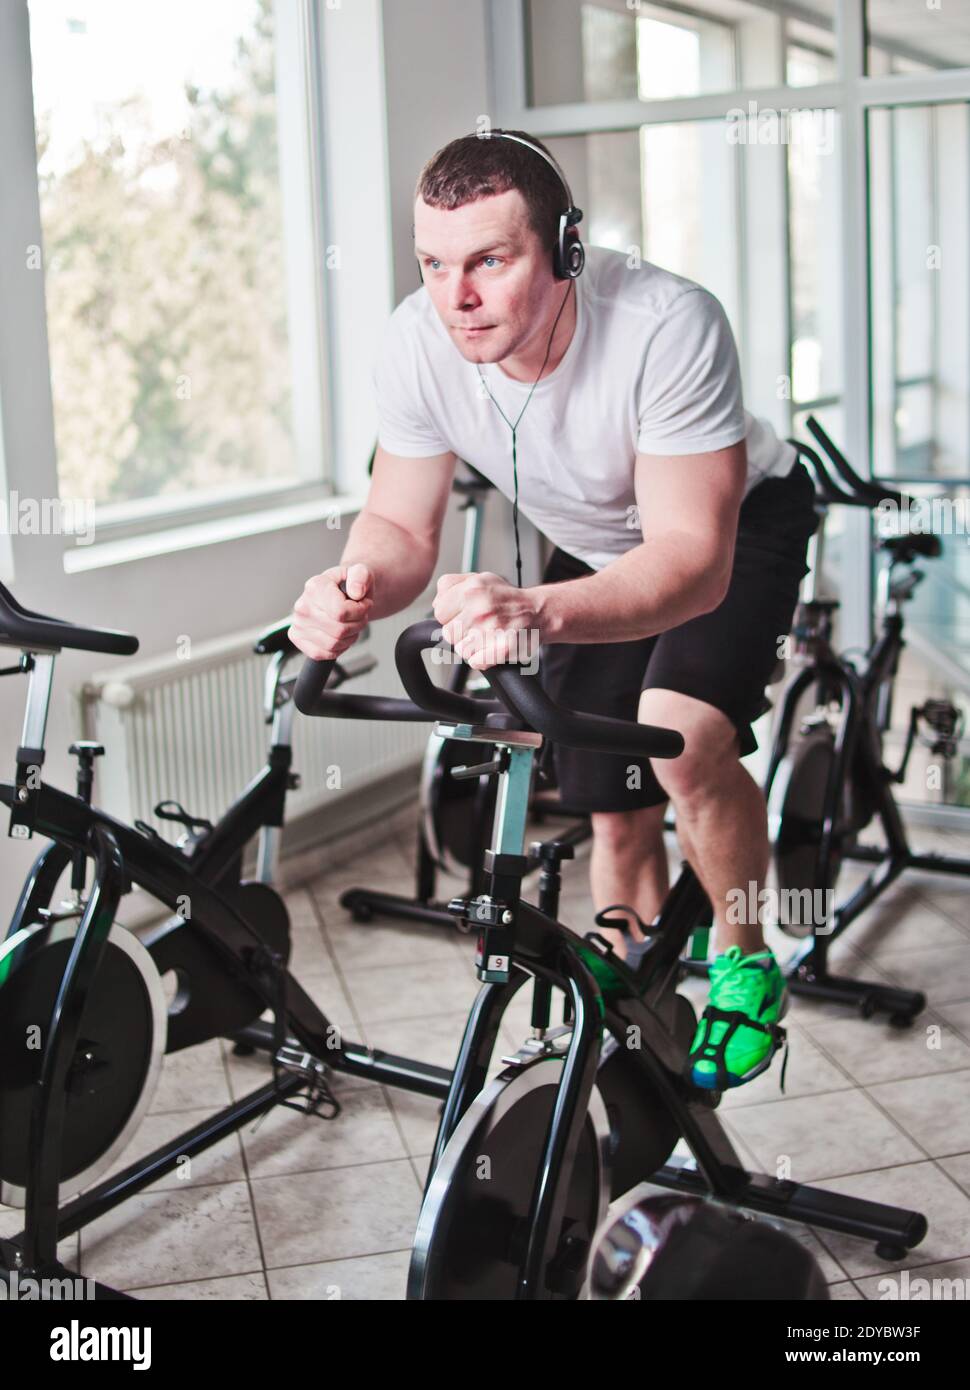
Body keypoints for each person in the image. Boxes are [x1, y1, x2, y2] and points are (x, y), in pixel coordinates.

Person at [288, 129, 819, 1090]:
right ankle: (628, 957)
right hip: (600, 540)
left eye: (492, 260)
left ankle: (746, 957)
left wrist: (533, 607)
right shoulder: (418, 339)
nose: (458, 296)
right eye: (436, 263)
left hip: (726, 523)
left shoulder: (667, 324)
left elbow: (692, 564)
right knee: (607, 791)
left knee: (680, 736)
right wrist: (352, 585)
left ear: (566, 248)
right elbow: (399, 526)